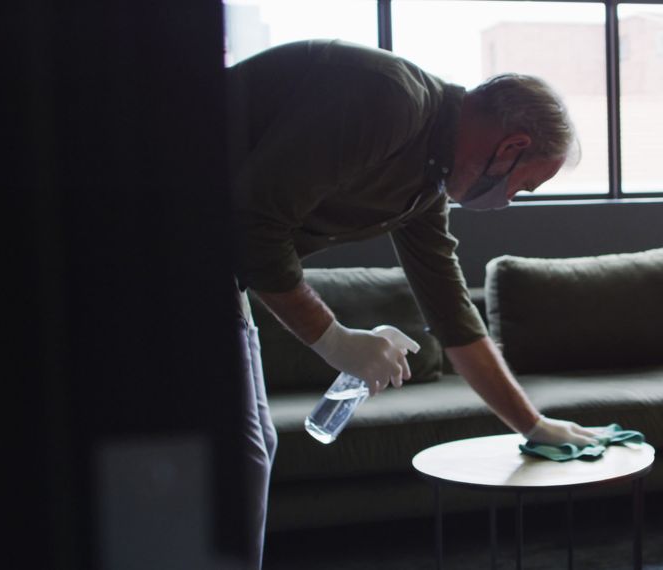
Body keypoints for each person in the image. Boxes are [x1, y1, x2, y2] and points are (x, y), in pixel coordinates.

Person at [225, 39, 599, 568]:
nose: (511, 200)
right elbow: (251, 224)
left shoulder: (426, 186)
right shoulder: (390, 101)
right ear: (512, 147)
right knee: (236, 459)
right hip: (153, 238)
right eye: (526, 186)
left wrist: (532, 426)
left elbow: (453, 316)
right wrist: (335, 341)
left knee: (253, 448)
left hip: (220, 266)